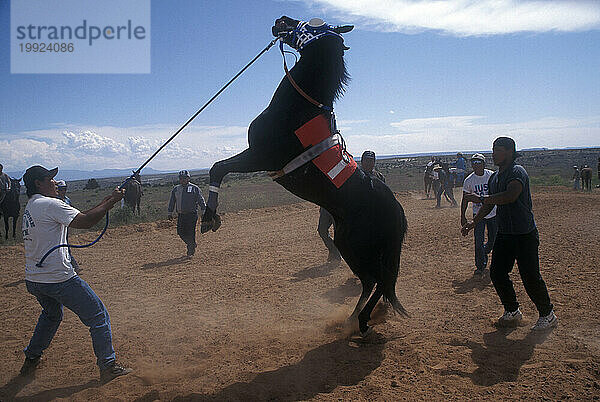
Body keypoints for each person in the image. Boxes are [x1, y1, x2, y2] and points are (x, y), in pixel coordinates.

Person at [20, 165, 131, 382]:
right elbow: (86, 222)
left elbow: (82, 215)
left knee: (52, 315)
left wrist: (108, 200)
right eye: (50, 179)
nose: (54, 182)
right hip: (58, 278)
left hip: (34, 279)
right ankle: (108, 366)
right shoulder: (50, 204)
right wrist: (112, 202)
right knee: (98, 316)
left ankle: (31, 359)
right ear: (38, 184)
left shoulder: (32, 206)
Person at [461, 137, 557, 331]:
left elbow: (509, 196)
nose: (494, 153)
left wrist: (479, 197)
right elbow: (490, 204)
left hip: (524, 233)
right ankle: (512, 311)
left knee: (530, 275)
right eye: (493, 149)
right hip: (505, 234)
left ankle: (548, 314)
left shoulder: (516, 172)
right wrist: (473, 223)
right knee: (497, 273)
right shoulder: (495, 177)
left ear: (510, 152)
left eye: (498, 150)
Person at [461, 153, 497, 275]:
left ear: (484, 163)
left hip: (493, 213)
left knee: (493, 240)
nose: (476, 165)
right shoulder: (469, 180)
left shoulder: (491, 176)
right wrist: (463, 216)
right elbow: (465, 199)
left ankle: (485, 251)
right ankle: (480, 266)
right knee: (478, 240)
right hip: (478, 215)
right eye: (473, 163)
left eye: (478, 162)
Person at [168, 170, 206, 257]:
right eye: (181, 178)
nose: (183, 180)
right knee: (180, 232)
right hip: (181, 215)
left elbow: (201, 200)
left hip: (191, 214)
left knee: (190, 232)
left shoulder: (194, 188)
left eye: (185, 178)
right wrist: (170, 212)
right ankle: (192, 244)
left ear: (188, 178)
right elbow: (172, 201)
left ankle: (190, 252)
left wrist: (204, 210)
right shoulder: (176, 189)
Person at [56, 180, 81, 274]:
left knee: (64, 245)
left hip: (65, 227)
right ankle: (73, 266)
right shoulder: (55, 201)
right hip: (57, 228)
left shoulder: (67, 200)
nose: (63, 191)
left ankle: (73, 266)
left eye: (64, 189)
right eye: (61, 189)